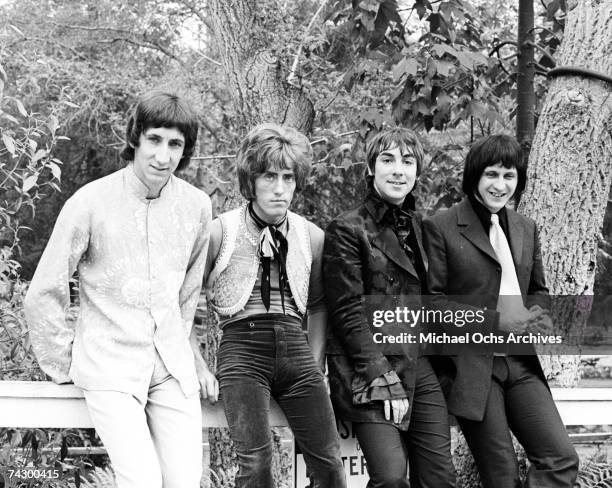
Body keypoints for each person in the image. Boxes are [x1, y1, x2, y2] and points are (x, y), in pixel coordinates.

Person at [24, 91, 218, 488]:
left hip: (169, 367)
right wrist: (66, 364)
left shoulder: (197, 206)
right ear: (136, 137)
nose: (162, 156)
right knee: (141, 480)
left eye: (175, 144)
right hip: (108, 362)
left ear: (186, 151)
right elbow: (44, 290)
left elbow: (187, 295)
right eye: (155, 139)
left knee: (185, 480)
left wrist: (190, 359)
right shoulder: (90, 202)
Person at [422, 134, 579, 488]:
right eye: (492, 174)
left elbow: (537, 290)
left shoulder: (526, 227)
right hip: (474, 368)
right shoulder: (440, 226)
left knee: (561, 459)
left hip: (521, 363)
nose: (500, 184)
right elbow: (433, 306)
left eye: (509, 176)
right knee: (502, 476)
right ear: (475, 175)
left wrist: (539, 316)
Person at [204, 123, 346, 488]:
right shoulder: (220, 231)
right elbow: (187, 300)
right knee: (256, 465)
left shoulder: (310, 236)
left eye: (288, 178)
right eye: (269, 177)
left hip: (296, 351)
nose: (280, 189)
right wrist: (195, 359)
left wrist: (314, 365)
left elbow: (317, 306)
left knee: (329, 464)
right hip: (243, 349)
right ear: (250, 180)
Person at [323, 127, 456, 488]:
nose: (399, 170)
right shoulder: (346, 227)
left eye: (408, 161)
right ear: (371, 168)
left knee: (440, 479)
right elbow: (347, 312)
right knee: (392, 479)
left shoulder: (423, 226)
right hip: (368, 367)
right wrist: (382, 377)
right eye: (388, 160)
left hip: (419, 364)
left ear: (417, 171)